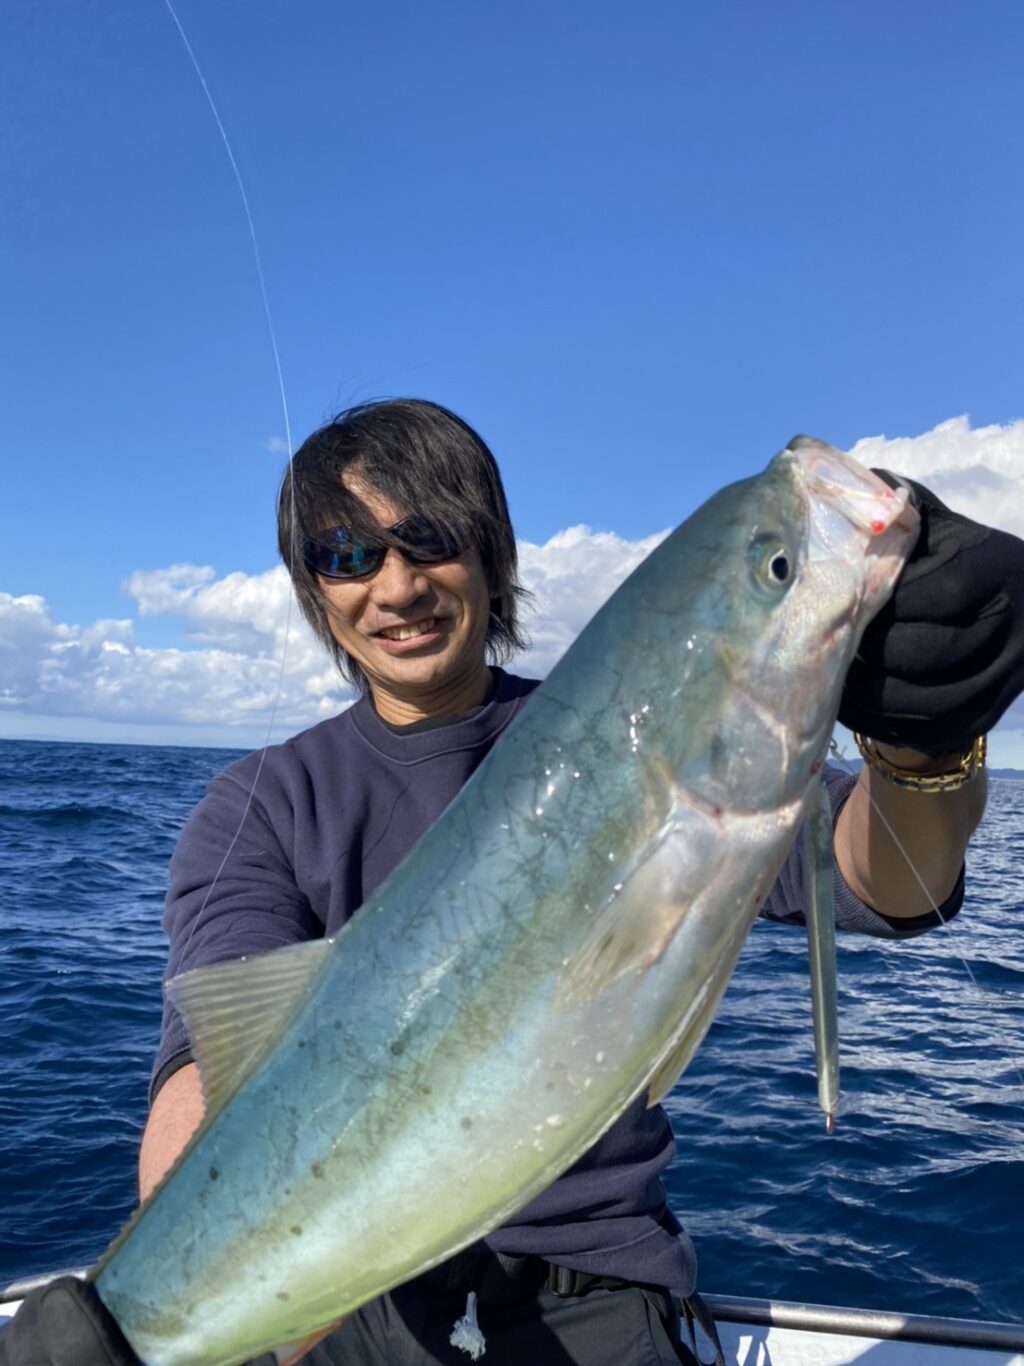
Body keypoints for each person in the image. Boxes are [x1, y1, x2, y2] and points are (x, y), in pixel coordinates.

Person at [4, 399, 1022, 1366]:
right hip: (347, 1300)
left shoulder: (650, 731)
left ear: (494, 557)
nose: (396, 586)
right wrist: (128, 1322)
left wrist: (921, 745)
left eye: (429, 538)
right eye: (347, 554)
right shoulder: (262, 803)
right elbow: (210, 1071)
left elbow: (893, 883)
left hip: (598, 1291)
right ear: (315, 590)